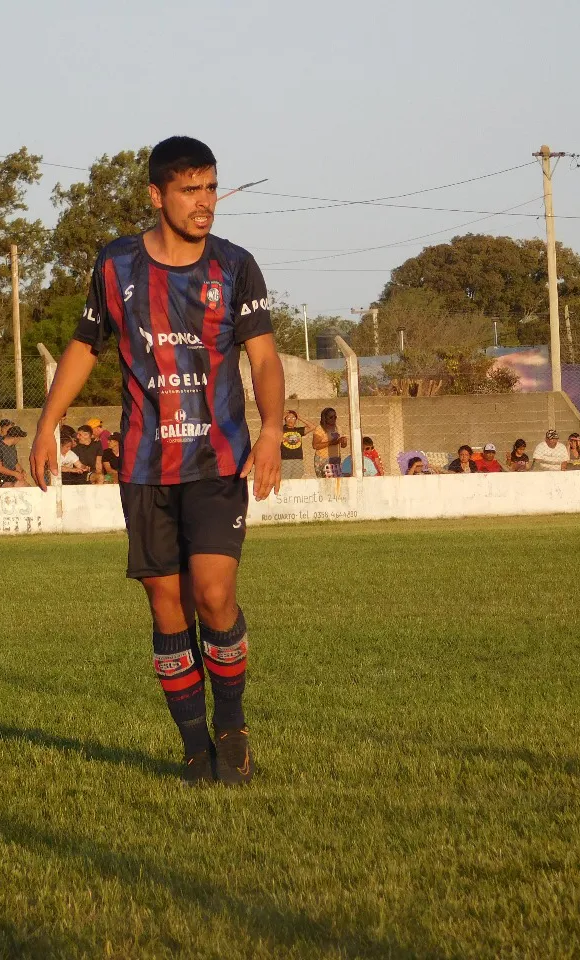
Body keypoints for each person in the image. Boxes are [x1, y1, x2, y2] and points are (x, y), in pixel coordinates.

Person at [29, 136, 283, 787]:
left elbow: (262, 356)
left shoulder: (235, 267)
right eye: (191, 189)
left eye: (211, 188)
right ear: (157, 194)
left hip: (217, 459)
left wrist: (272, 427)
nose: (206, 203)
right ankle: (195, 749)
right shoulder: (115, 266)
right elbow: (87, 343)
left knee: (215, 594)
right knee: (167, 608)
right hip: (144, 467)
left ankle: (231, 727)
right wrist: (47, 424)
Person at [312, 407, 347, 478]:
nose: (333, 419)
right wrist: (331, 443)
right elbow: (315, 445)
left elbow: (342, 446)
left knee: (336, 481)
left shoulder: (338, 428)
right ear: (325, 418)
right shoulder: (320, 429)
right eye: (331, 417)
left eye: (335, 417)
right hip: (324, 459)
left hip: (336, 458)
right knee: (328, 482)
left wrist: (344, 442)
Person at [279, 410, 312, 480]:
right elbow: (272, 427)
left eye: (293, 418)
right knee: (284, 480)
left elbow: (312, 427)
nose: (291, 420)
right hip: (285, 459)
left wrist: (300, 417)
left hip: (298, 459)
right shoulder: (281, 429)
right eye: (288, 418)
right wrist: (282, 417)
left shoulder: (298, 430)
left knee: (296, 480)